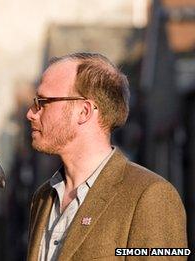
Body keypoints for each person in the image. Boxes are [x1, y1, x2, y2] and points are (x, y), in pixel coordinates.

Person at [25, 52, 187, 260]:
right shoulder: (43, 197)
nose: (31, 113)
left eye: (43, 102)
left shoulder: (150, 196)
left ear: (83, 112)